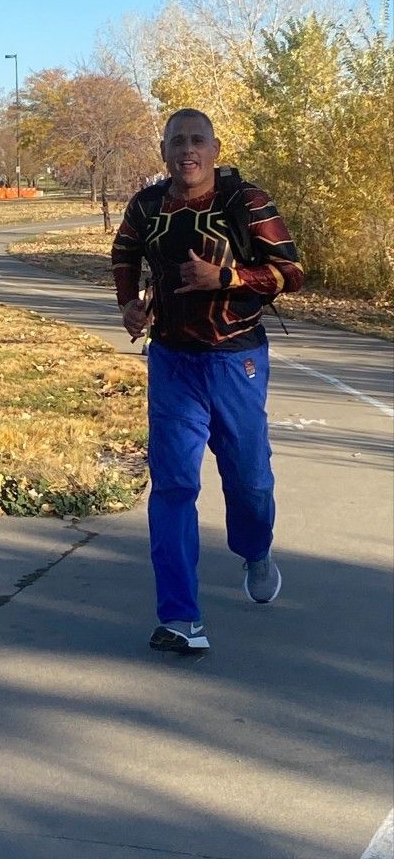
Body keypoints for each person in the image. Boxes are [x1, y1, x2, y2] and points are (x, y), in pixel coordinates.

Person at [112, 108, 304, 653]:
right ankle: (180, 619)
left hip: (235, 361)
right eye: (177, 142)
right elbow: (125, 252)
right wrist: (130, 304)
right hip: (172, 361)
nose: (187, 150)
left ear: (215, 149)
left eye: (197, 141)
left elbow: (291, 272)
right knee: (172, 485)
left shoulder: (246, 202)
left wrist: (227, 276)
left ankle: (256, 548)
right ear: (165, 150)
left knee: (248, 480)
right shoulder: (148, 205)